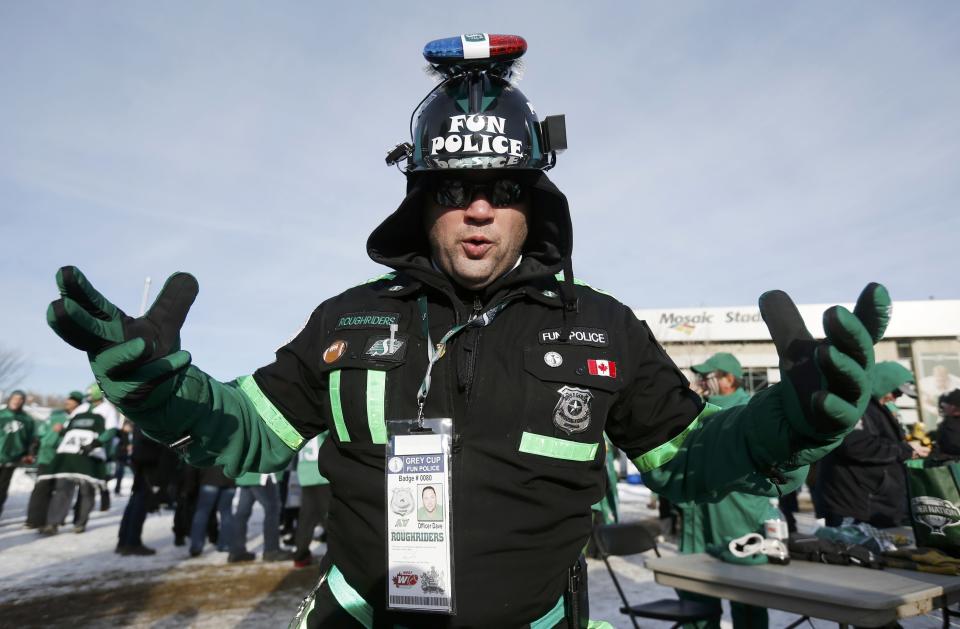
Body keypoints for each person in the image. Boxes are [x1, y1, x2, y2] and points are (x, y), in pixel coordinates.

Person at [46, 33, 892, 627]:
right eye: (455, 189)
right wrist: (162, 392)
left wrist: (797, 419)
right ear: (421, 203)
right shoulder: (348, 318)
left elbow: (695, 462)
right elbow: (250, 434)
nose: (479, 206)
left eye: (504, 186)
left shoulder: (604, 325)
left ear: (536, 203)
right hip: (359, 616)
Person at [653, 352, 774, 629]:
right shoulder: (697, 409)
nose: (702, 382)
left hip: (738, 514)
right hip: (698, 515)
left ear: (729, 378)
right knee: (696, 593)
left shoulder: (750, 407)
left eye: (707, 377)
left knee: (747, 596)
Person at [815, 361, 928, 527]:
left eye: (900, 395)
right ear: (883, 383)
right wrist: (903, 450)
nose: (895, 398)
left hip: (872, 502)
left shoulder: (873, 407)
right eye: (895, 392)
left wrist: (907, 449)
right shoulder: (855, 406)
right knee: (855, 550)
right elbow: (855, 446)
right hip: (855, 503)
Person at [39, 408, 110, 534]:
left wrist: (98, 446)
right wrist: (61, 431)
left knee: (86, 492)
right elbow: (68, 433)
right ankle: (53, 523)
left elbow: (108, 434)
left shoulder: (103, 416)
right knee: (62, 491)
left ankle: (80, 523)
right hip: (69, 458)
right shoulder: (76, 417)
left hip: (88, 458)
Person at [24, 393, 75, 528]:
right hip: (46, 456)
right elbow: (40, 434)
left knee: (61, 490)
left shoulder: (78, 418)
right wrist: (33, 450)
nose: (68, 403)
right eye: (68, 400)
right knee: (41, 487)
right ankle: (34, 520)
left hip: (66, 459)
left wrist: (63, 431)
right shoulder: (55, 416)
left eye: (73, 401)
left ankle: (53, 521)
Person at [229, 472, 291, 562]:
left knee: (242, 513)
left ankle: (236, 551)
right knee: (272, 510)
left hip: (246, 476)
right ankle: (271, 550)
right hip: (264, 475)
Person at [293, 432, 332, 568]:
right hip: (321, 474)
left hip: (305, 475)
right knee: (331, 518)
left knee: (306, 519)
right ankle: (338, 556)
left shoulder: (301, 425)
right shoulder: (320, 425)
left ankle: (300, 555)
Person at [0, 390, 36, 519]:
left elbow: (32, 439)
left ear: (23, 401)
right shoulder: (1, 414)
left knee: (2, 487)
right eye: (15, 397)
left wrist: (29, 453)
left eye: (20, 399)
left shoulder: (27, 419)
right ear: (10, 399)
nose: (17, 400)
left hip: (12, 457)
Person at [186, 464, 235, 557]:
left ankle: (196, 546)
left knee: (202, 513)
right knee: (226, 513)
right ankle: (225, 544)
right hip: (229, 479)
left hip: (209, 479)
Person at [931, 389, 960, 461]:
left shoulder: (950, 423)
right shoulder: (947, 422)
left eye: (943, 406)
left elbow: (953, 444)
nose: (941, 409)